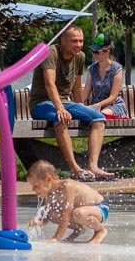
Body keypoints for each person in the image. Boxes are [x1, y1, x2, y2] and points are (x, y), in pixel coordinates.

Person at [28, 25, 113, 181]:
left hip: (66, 103)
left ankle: (93, 166)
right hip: (41, 103)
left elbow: (76, 85)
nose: (78, 45)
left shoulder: (79, 56)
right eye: (74, 41)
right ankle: (75, 169)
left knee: (98, 119)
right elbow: (49, 84)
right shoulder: (50, 53)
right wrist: (60, 109)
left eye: (81, 41)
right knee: (61, 119)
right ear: (63, 40)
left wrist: (81, 108)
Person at [25, 160, 109, 244]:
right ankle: (78, 229)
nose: (33, 189)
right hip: (83, 211)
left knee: (78, 213)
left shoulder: (67, 186)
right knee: (52, 214)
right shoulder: (49, 194)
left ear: (48, 178)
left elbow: (67, 214)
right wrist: (39, 221)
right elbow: (47, 216)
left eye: (36, 186)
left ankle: (100, 230)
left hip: (100, 208)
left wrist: (56, 237)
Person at [84, 33, 127, 118]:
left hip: (114, 106)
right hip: (95, 106)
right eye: (93, 51)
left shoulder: (117, 69)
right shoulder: (91, 69)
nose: (94, 54)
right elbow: (85, 96)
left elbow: (113, 97)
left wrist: (96, 106)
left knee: (101, 115)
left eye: (97, 52)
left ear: (107, 51)